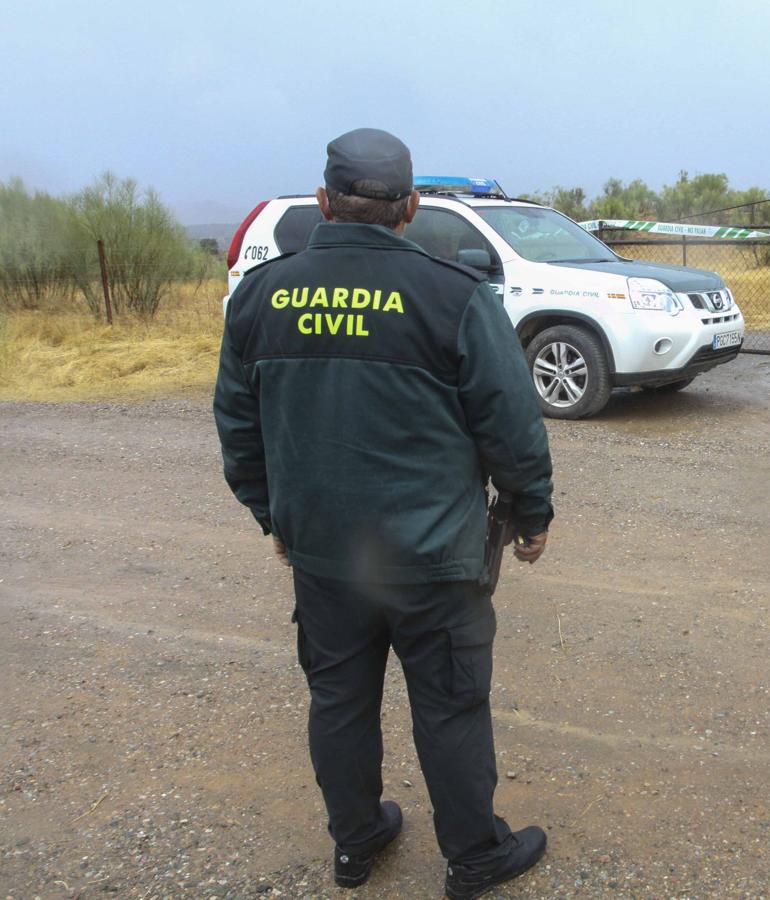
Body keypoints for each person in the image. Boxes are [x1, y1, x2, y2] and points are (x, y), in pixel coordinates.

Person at [214, 127, 554, 898]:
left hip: (327, 558)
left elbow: (238, 427)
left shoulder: (262, 296)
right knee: (451, 708)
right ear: (409, 208)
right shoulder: (454, 295)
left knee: (338, 703)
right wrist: (532, 514)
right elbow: (511, 426)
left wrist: (275, 519)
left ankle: (356, 844)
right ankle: (474, 859)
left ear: (325, 200)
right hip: (435, 561)